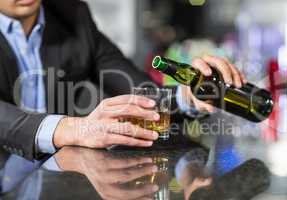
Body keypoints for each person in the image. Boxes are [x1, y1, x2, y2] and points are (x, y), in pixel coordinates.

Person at [0, 0, 246, 160]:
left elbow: (138, 89)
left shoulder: (72, 15)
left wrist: (189, 95)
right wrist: (70, 128)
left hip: (56, 180)